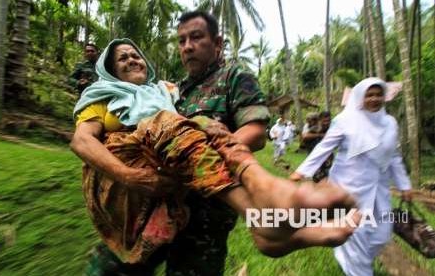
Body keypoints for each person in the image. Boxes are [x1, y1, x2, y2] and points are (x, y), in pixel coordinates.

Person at [71, 21, 359, 276]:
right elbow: (82, 140)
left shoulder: (168, 90)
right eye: (123, 58)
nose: (187, 47)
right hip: (126, 188)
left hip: (179, 203)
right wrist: (130, 176)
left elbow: (256, 131)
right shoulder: (104, 96)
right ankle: (260, 216)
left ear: (218, 43)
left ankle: (265, 209)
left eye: (136, 55)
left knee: (200, 124)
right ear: (109, 70)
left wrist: (198, 139)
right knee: (176, 124)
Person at [290, 77, 413, 276]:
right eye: (369, 95)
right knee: (356, 233)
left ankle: (350, 258)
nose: (374, 99)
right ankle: (357, 268)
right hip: (348, 189)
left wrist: (404, 185)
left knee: (381, 236)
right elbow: (325, 147)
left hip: (379, 190)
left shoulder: (390, 123)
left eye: (378, 94)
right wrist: (303, 171)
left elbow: (394, 156)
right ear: (360, 97)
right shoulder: (345, 121)